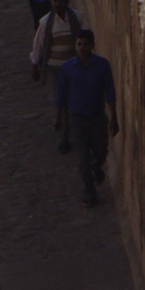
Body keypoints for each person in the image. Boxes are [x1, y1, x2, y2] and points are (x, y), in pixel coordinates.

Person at [56, 30, 119, 206]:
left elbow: (110, 93)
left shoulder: (102, 65)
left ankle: (97, 167)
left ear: (92, 45)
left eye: (85, 44)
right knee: (83, 159)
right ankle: (89, 193)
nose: (82, 48)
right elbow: (61, 95)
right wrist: (59, 118)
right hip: (78, 119)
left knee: (101, 151)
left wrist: (114, 118)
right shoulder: (68, 68)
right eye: (79, 44)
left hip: (97, 116)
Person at [29, 0, 85, 89]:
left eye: (61, 1)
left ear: (67, 2)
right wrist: (34, 64)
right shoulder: (45, 22)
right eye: (55, 1)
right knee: (57, 97)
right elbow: (39, 43)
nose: (58, 4)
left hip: (73, 66)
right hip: (54, 68)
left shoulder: (77, 18)